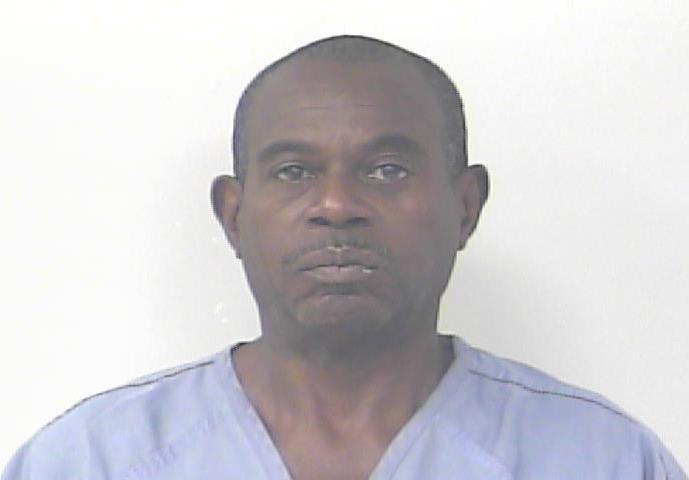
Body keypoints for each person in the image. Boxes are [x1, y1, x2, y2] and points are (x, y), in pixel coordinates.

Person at [2, 35, 685, 480]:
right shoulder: (93, 461)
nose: (335, 205)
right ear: (233, 215)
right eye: (293, 172)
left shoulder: (600, 459)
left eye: (386, 170)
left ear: (465, 206)